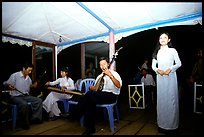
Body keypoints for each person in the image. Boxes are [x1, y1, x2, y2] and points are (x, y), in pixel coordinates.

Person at [72, 57, 122, 135]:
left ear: (108, 64)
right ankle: (91, 128)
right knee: (89, 101)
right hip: (101, 95)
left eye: (104, 64)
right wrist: (92, 87)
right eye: (101, 65)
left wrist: (110, 75)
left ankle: (75, 113)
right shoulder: (99, 76)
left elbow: (119, 85)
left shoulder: (114, 73)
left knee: (89, 96)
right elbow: (96, 89)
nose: (103, 66)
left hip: (111, 95)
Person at [151, 32, 182, 134]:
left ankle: (173, 126)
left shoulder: (172, 50)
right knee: (162, 101)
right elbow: (153, 66)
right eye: (161, 38)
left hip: (171, 78)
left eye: (165, 37)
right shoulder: (157, 52)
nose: (163, 39)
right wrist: (157, 70)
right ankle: (162, 125)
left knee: (171, 101)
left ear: (169, 40)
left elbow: (178, 63)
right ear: (159, 40)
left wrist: (171, 68)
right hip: (160, 78)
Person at [3, 62, 43, 130]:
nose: (30, 72)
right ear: (24, 68)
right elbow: (5, 83)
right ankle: (24, 123)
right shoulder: (15, 75)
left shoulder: (28, 78)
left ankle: (35, 118)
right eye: (29, 70)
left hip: (25, 96)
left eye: (31, 71)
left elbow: (30, 86)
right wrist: (8, 86)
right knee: (24, 104)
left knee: (39, 100)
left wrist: (33, 85)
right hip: (14, 97)